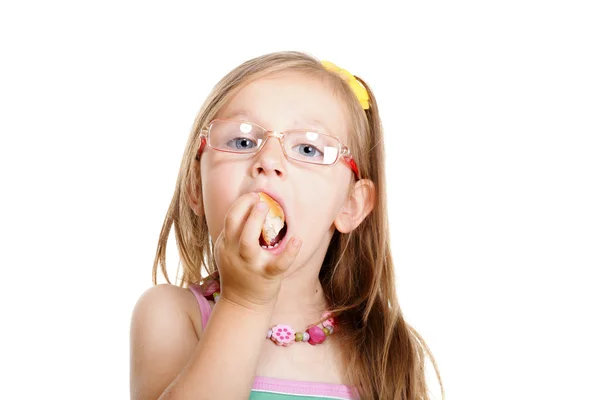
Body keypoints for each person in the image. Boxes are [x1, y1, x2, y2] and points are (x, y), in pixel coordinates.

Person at [130, 51, 444, 399]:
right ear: (194, 187)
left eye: (308, 149)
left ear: (350, 205)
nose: (268, 161)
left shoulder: (381, 349)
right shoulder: (172, 315)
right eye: (243, 141)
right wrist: (243, 302)